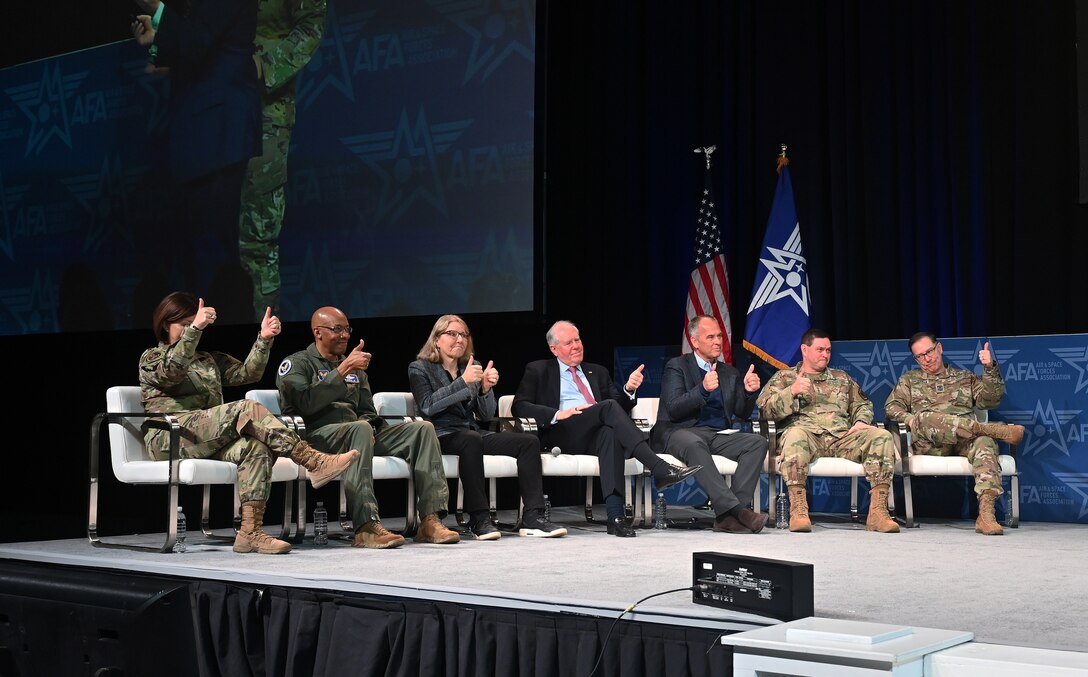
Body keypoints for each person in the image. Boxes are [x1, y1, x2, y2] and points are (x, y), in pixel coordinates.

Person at [139, 292, 359, 555]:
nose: (191, 330)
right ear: (165, 324)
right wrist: (196, 327)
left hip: (206, 437)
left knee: (256, 447)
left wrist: (263, 340)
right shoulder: (152, 358)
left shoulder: (207, 360)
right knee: (245, 407)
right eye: (184, 325)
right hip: (169, 436)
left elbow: (247, 373)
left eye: (193, 324)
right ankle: (313, 460)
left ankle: (250, 533)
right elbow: (173, 371)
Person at [276, 306, 459, 548]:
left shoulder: (355, 369)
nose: (344, 335)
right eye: (337, 329)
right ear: (317, 332)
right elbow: (304, 404)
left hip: (357, 432)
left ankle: (430, 520)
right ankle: (366, 526)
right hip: (314, 437)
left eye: (347, 329)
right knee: (360, 428)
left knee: (422, 429)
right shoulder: (296, 363)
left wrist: (374, 427)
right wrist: (342, 371)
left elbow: (366, 411)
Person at [131, 0, 263, 316]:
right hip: (201, 137)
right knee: (195, 258)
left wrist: (158, 9)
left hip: (216, 136)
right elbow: (187, 53)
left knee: (212, 256)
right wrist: (155, 38)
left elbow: (195, 43)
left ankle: (222, 348)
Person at [512, 321, 701, 537]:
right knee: (607, 409)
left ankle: (615, 518)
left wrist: (629, 390)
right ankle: (659, 467)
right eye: (568, 343)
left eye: (578, 339)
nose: (576, 346)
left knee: (610, 433)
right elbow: (520, 405)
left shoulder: (597, 371)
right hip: (561, 432)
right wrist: (557, 414)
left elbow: (616, 411)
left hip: (594, 433)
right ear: (554, 349)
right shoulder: (538, 369)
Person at [408, 315, 567, 539]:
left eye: (463, 334)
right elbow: (428, 406)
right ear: (436, 340)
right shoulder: (419, 368)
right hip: (440, 435)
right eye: (452, 334)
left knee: (528, 442)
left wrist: (485, 389)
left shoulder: (472, 367)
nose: (459, 339)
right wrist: (463, 382)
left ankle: (534, 517)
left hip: (471, 432)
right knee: (470, 439)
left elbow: (485, 414)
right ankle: (479, 518)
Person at [755, 328, 899, 533]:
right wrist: (791, 392)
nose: (825, 355)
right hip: (805, 437)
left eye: (828, 350)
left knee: (882, 436)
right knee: (795, 435)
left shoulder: (841, 378)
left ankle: (877, 512)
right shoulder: (784, 378)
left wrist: (860, 420)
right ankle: (799, 509)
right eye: (820, 349)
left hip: (840, 437)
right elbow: (765, 411)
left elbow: (863, 404)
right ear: (804, 349)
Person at [884, 333, 1024, 536]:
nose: (926, 359)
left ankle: (986, 515)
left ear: (939, 348)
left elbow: (990, 400)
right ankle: (990, 429)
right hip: (927, 443)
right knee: (924, 418)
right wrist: (910, 419)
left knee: (984, 443)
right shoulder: (909, 380)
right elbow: (891, 407)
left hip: (963, 442)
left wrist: (989, 368)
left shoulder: (964, 378)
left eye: (929, 352)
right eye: (920, 356)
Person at [240, 0, 326, 318]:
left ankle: (258, 341)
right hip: (212, 106)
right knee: (211, 233)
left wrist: (264, 65)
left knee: (257, 236)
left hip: (264, 109)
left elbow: (310, 23)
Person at [652, 316, 769, 534]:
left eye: (719, 336)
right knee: (695, 443)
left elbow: (741, 412)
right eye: (710, 337)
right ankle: (738, 512)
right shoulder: (677, 366)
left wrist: (749, 393)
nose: (717, 341)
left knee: (757, 443)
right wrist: (702, 390)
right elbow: (674, 408)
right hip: (678, 431)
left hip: (716, 434)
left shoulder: (729, 372)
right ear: (695, 342)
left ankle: (727, 517)